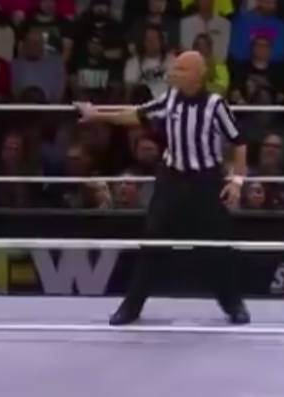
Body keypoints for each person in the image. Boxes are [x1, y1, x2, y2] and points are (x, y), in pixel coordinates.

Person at [76, 50, 250, 325]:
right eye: (174, 67)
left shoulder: (215, 105)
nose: (173, 73)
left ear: (197, 75)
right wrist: (95, 114)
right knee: (153, 241)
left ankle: (233, 304)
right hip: (172, 178)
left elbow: (239, 142)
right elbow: (136, 115)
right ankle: (131, 307)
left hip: (206, 180)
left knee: (216, 245)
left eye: (180, 69)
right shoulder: (171, 99)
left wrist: (237, 182)